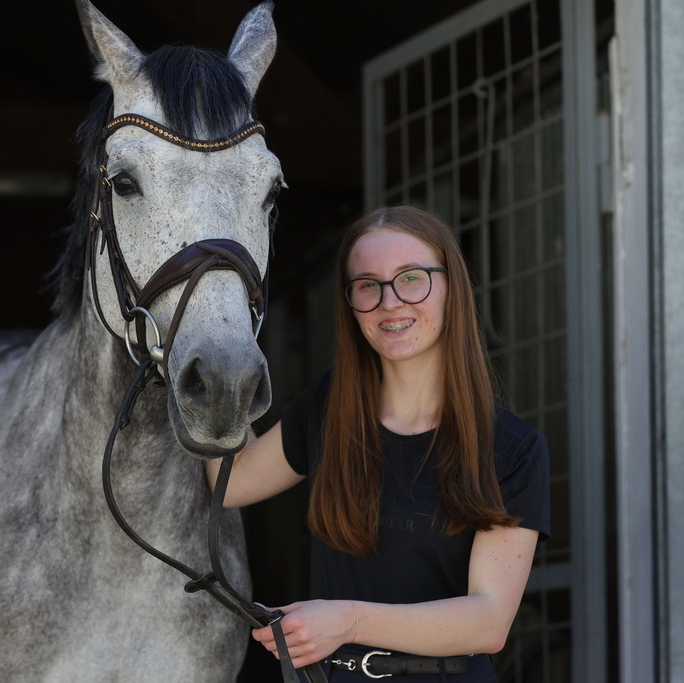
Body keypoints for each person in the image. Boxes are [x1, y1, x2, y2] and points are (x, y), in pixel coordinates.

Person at [207, 205, 550, 682]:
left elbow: (488, 621)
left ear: (452, 287)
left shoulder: (512, 448)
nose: (390, 302)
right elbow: (233, 482)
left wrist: (348, 621)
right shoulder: (330, 408)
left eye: (410, 278)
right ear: (351, 305)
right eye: (368, 285)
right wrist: (221, 363)